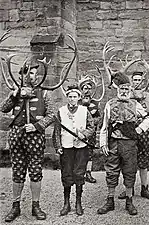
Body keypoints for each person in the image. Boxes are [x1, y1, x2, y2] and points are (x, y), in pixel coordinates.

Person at [1, 63, 55, 222]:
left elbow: (52, 115)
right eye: (26, 74)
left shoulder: (44, 93)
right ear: (21, 76)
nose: (29, 76)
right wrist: (13, 95)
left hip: (34, 138)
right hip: (16, 136)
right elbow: (3, 108)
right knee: (17, 171)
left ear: (36, 76)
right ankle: (15, 206)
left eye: (32, 73)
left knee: (35, 171)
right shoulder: (15, 91)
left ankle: (35, 206)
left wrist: (37, 126)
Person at [97, 72, 149, 215]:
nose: (124, 92)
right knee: (111, 171)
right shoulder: (110, 104)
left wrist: (139, 129)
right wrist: (103, 143)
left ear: (130, 91)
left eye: (126, 89)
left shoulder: (135, 104)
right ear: (117, 89)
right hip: (113, 143)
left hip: (129, 145)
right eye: (122, 89)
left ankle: (129, 201)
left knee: (129, 172)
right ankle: (110, 200)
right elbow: (104, 125)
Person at [52, 84, 95, 216]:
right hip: (66, 147)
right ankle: (66, 203)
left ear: (79, 97)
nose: (72, 99)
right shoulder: (61, 111)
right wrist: (58, 146)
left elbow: (91, 127)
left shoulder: (84, 110)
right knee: (66, 174)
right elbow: (57, 131)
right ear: (67, 97)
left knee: (79, 174)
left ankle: (78, 203)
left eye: (75, 97)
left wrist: (84, 134)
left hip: (81, 147)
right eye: (70, 96)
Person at [118, 71, 149, 201]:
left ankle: (144, 188)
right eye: (134, 80)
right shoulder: (126, 95)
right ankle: (128, 188)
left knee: (143, 160)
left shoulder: (148, 96)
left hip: (143, 131)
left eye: (139, 80)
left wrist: (146, 116)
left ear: (143, 81)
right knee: (128, 159)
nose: (137, 82)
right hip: (129, 131)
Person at [78, 76, 102, 183]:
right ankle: (79, 173)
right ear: (81, 90)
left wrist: (91, 122)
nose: (87, 91)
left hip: (90, 133)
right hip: (79, 133)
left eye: (89, 88)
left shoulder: (95, 104)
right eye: (85, 88)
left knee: (89, 153)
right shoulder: (77, 103)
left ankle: (88, 173)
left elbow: (99, 118)